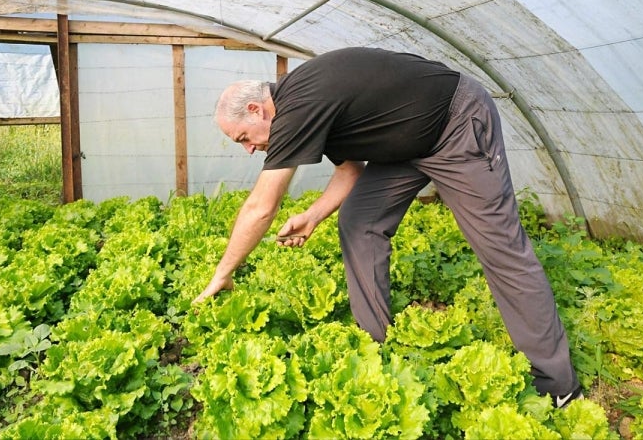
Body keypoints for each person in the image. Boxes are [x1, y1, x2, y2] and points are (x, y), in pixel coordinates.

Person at [193, 47, 582, 407]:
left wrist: (224, 273)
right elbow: (350, 168)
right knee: (360, 221)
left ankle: (558, 384)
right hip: (407, 143)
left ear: (257, 109)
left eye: (243, 137)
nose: (248, 148)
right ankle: (375, 342)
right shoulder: (305, 105)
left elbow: (262, 206)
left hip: (454, 125)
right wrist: (313, 216)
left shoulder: (298, 106)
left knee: (502, 250)